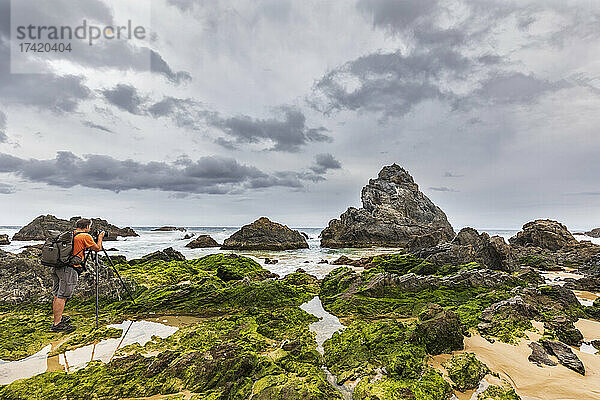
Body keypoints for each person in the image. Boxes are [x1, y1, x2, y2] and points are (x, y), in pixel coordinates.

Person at [51, 218, 104, 332]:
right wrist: (100, 238)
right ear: (87, 227)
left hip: (58, 266)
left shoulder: (71, 234)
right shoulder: (85, 236)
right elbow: (97, 249)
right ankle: (57, 324)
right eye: (89, 227)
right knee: (62, 296)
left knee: (57, 294)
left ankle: (58, 318)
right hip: (69, 269)